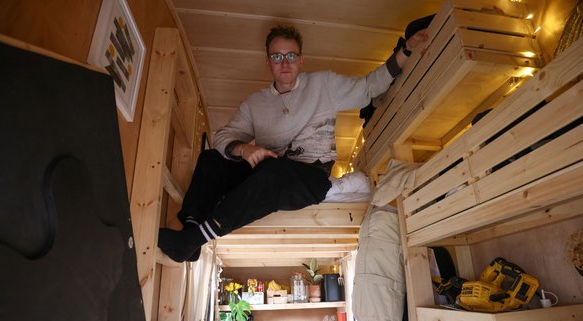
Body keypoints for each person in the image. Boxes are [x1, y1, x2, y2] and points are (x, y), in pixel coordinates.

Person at [158, 23, 429, 262]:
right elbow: (222, 137)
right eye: (277, 56)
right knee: (211, 159)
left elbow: (370, 87)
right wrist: (244, 148)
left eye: (290, 56)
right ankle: (191, 228)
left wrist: (406, 50)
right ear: (268, 62)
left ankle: (195, 240)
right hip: (268, 169)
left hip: (310, 177)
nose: (284, 63)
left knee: (271, 171)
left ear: (300, 60)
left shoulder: (324, 84)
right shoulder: (255, 103)